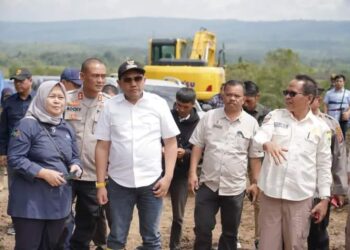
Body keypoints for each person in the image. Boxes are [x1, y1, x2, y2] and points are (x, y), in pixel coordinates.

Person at [95, 59, 179, 250]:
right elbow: (102, 146)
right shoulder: (110, 107)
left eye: (138, 78)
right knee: (116, 237)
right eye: (128, 79)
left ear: (144, 80)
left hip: (152, 183)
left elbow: (171, 142)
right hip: (119, 183)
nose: (133, 83)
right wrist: (100, 184)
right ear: (119, 83)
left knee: (151, 238)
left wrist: (168, 177)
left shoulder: (158, 104)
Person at [253, 74, 332, 250]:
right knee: (267, 246)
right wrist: (267, 143)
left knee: (295, 245)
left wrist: (324, 199)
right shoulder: (275, 116)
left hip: (300, 197)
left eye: (292, 93)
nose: (287, 97)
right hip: (270, 194)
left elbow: (324, 165)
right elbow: (258, 137)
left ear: (309, 98)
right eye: (286, 92)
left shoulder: (321, 128)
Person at [188, 80, 263, 250]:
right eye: (229, 95)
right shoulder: (209, 117)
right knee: (202, 228)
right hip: (208, 184)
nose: (232, 99)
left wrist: (255, 183)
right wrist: (192, 173)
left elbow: (255, 156)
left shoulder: (251, 123)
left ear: (243, 99)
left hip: (234, 188)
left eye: (237, 96)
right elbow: (198, 146)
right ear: (223, 96)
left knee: (230, 233)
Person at [7, 80, 82, 250]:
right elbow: (15, 158)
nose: (57, 101)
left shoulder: (66, 127)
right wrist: (41, 172)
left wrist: (76, 167)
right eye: (52, 96)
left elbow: (75, 157)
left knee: (52, 246)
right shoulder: (26, 125)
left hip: (59, 204)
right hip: (31, 204)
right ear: (41, 98)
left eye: (61, 97)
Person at [64, 58, 110, 250]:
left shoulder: (111, 105)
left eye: (103, 76)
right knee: (61, 218)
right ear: (82, 76)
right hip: (65, 172)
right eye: (95, 76)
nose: (100, 80)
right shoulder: (66, 99)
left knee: (87, 221)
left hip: (93, 175)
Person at [308, 87, 348, 250]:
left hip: (321, 185)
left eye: (314, 98)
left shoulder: (331, 123)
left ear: (318, 99)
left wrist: (339, 188)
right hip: (295, 185)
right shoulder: (290, 122)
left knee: (318, 229)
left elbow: (339, 156)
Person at [0, 67, 35, 235]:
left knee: (36, 187)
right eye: (15, 81)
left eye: (21, 80)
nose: (18, 84)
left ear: (30, 80)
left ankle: (35, 220)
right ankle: (16, 223)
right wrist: (2, 152)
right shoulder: (9, 103)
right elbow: (3, 130)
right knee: (15, 189)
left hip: (36, 152)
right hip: (14, 153)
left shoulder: (39, 101)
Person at [168, 87, 200, 250]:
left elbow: (200, 148)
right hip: (161, 169)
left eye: (185, 107)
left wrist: (185, 153)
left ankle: (174, 245)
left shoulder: (199, 122)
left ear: (193, 105)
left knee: (178, 215)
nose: (180, 109)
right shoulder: (168, 116)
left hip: (181, 172)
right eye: (178, 105)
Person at [242, 80, 270, 249]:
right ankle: (234, 236)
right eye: (243, 100)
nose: (244, 104)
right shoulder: (237, 112)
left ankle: (259, 239)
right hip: (238, 161)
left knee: (258, 201)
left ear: (257, 97)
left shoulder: (268, 115)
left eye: (249, 101)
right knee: (234, 200)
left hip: (259, 163)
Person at [0, 87, 14, 191]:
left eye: (9, 96)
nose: (7, 99)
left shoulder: (12, 109)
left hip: (11, 139)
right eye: (5, 97)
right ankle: (1, 182)